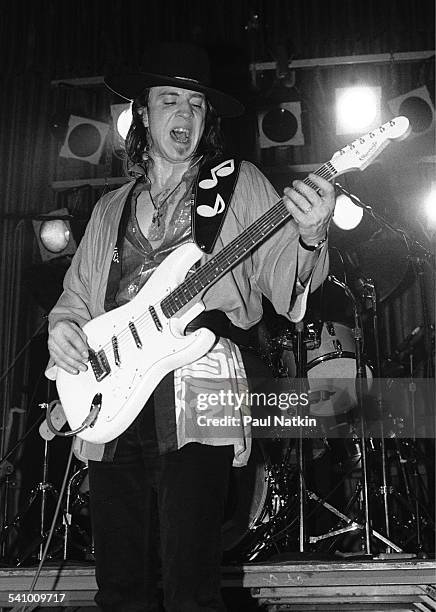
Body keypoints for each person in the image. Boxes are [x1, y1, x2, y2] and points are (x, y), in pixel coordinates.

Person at [46, 43, 334, 612]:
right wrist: (64, 331)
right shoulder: (109, 209)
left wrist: (311, 235)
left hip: (200, 384)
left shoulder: (240, 183)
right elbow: (74, 301)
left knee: (191, 584)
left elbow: (283, 282)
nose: (185, 115)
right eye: (170, 100)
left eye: (197, 105)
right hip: (110, 392)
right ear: (143, 115)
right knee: (120, 586)